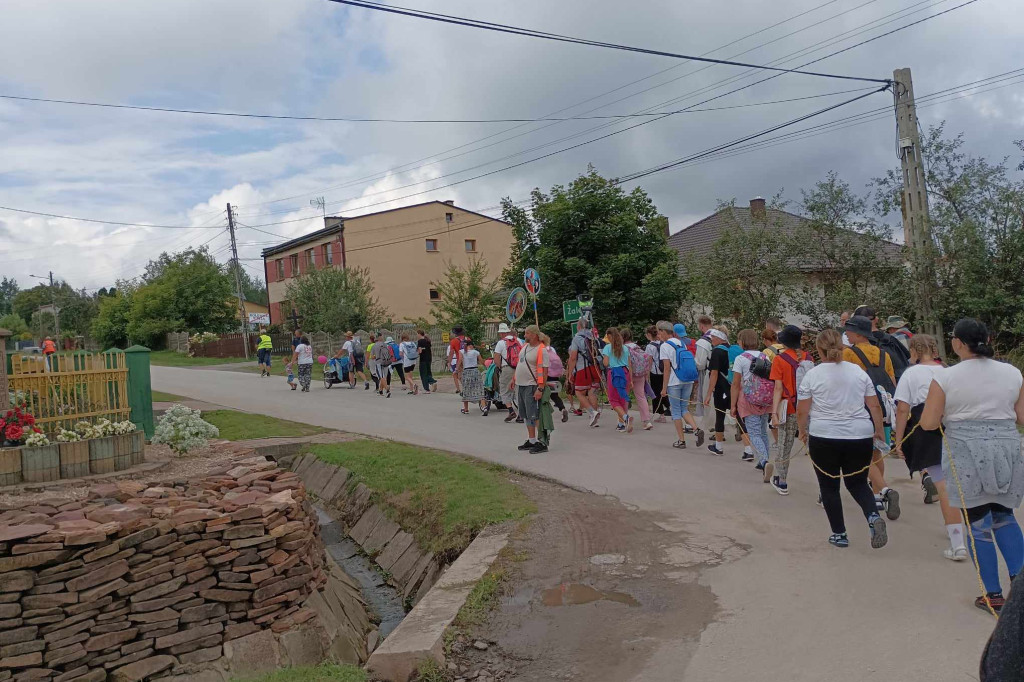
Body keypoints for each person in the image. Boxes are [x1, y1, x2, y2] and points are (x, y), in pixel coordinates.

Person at [920, 318, 1024, 613]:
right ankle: (1021, 586)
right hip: (1006, 446)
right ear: (988, 340)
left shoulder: (947, 377)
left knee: (978, 522)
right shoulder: (1012, 373)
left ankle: (993, 595)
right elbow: (1022, 416)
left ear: (957, 344)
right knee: (1004, 514)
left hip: (965, 450)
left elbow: (928, 422)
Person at [797, 329, 889, 549]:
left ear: (819, 350)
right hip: (859, 434)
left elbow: (802, 410)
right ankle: (873, 517)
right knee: (857, 483)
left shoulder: (813, 374)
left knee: (829, 486)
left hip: (824, 435)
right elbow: (874, 404)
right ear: (842, 346)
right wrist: (877, 430)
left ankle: (839, 534)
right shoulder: (858, 372)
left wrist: (802, 430)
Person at [893, 334, 967, 561]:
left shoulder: (911, 374)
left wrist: (898, 439)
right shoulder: (948, 370)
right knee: (960, 483)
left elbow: (903, 409)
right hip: (953, 426)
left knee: (944, 486)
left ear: (914, 351)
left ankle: (958, 543)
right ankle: (968, 530)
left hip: (925, 427)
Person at [844, 314, 900, 520]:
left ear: (857, 333)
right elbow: (891, 381)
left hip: (861, 408)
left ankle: (883, 490)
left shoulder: (849, 354)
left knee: (862, 455)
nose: (846, 334)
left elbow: (847, 382)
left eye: (848, 331)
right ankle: (877, 492)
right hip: (883, 408)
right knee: (878, 452)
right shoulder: (883, 354)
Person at [768, 325, 814, 494]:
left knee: (784, 443)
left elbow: (778, 389)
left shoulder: (780, 360)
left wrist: (774, 412)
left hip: (788, 407)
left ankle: (782, 481)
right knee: (812, 446)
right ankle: (824, 487)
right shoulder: (808, 358)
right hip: (808, 407)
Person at [658, 321, 704, 449]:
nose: (658, 335)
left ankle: (681, 440)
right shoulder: (681, 343)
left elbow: (666, 368)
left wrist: (663, 388)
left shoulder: (665, 346)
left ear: (663, 332)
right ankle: (696, 429)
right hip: (687, 380)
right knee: (684, 408)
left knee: (676, 411)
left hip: (674, 382)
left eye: (659, 332)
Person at [731, 329, 773, 468]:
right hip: (765, 399)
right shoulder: (764, 356)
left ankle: (765, 461)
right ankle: (764, 461)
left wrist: (733, 405)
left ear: (743, 341)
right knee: (763, 432)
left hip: (749, 399)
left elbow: (736, 384)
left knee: (753, 433)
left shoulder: (740, 359)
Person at [512, 325, 549, 454]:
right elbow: (520, 364)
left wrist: (540, 388)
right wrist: (514, 378)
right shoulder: (525, 347)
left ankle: (542, 441)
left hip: (532, 385)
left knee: (535, 414)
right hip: (521, 385)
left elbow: (544, 371)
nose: (525, 336)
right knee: (526, 414)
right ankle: (532, 440)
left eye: (527, 333)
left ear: (534, 335)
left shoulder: (542, 350)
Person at [853, 305, 911, 380]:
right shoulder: (891, 339)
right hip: (898, 383)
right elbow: (906, 358)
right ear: (876, 319)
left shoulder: (858, 345)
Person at [567, 317, 602, 428]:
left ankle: (592, 412)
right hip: (595, 368)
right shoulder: (593, 336)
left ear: (579, 326)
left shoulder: (577, 338)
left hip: (583, 369)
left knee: (579, 392)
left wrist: (570, 373)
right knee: (592, 392)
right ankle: (594, 419)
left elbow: (573, 357)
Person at [602, 327, 635, 433]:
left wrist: (603, 359)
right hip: (625, 372)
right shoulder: (625, 348)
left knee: (613, 400)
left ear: (610, 336)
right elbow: (630, 364)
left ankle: (625, 418)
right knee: (622, 399)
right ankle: (621, 424)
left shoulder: (608, 348)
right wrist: (631, 380)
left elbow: (606, 363)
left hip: (614, 373)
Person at [704, 328, 731, 456]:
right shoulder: (732, 349)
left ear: (720, 338)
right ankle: (748, 449)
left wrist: (709, 394)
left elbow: (714, 373)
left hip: (721, 387)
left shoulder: (717, 351)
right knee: (740, 417)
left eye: (713, 337)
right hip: (734, 387)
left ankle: (719, 446)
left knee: (720, 415)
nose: (711, 340)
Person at [623, 328, 653, 430]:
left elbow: (627, 363)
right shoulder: (637, 347)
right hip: (640, 374)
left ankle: (624, 420)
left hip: (628, 374)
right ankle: (646, 421)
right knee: (641, 396)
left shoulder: (624, 348)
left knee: (625, 396)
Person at [494, 323, 523, 423]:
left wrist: (499, 367)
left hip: (507, 368)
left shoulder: (501, 343)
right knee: (518, 390)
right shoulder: (518, 340)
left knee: (504, 390)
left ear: (502, 333)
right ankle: (521, 415)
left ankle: (511, 410)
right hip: (519, 368)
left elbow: (496, 358)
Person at [539, 333, 569, 423]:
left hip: (546, 375)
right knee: (554, 394)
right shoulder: (551, 349)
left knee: (542, 394)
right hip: (555, 375)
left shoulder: (540, 350)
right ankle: (562, 408)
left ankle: (545, 414)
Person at [694, 315, 715, 435]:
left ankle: (710, 424)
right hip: (721, 371)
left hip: (707, 372)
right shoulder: (721, 336)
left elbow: (700, 363)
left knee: (706, 397)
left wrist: (693, 361)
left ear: (701, 326)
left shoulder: (703, 341)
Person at [646, 325, 670, 423]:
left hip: (655, 372)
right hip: (664, 371)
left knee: (656, 393)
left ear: (648, 335)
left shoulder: (649, 346)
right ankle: (669, 406)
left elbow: (649, 361)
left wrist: (647, 374)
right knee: (664, 391)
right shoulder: (662, 343)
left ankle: (661, 414)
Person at [457, 339, 487, 415]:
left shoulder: (461, 352)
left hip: (467, 371)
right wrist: (486, 367)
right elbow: (481, 361)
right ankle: (484, 407)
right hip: (475, 371)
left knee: (466, 389)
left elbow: (460, 360)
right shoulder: (476, 352)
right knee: (479, 388)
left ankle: (466, 409)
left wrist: (457, 369)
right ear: (471, 345)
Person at [447, 326, 465, 394]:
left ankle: (465, 389)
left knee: (460, 376)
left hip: (460, 360)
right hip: (468, 360)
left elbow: (451, 353)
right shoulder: (467, 339)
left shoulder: (453, 341)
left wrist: (449, 362)